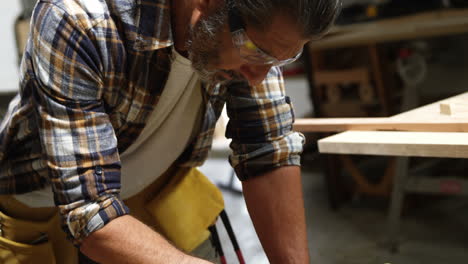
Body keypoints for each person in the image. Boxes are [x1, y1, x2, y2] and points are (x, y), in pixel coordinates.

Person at [0, 0, 340, 263]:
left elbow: (268, 150)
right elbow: (90, 211)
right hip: (42, 209)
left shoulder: (253, 34)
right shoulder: (79, 18)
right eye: (257, 53)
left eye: (281, 58)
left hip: (155, 188)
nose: (259, 77)